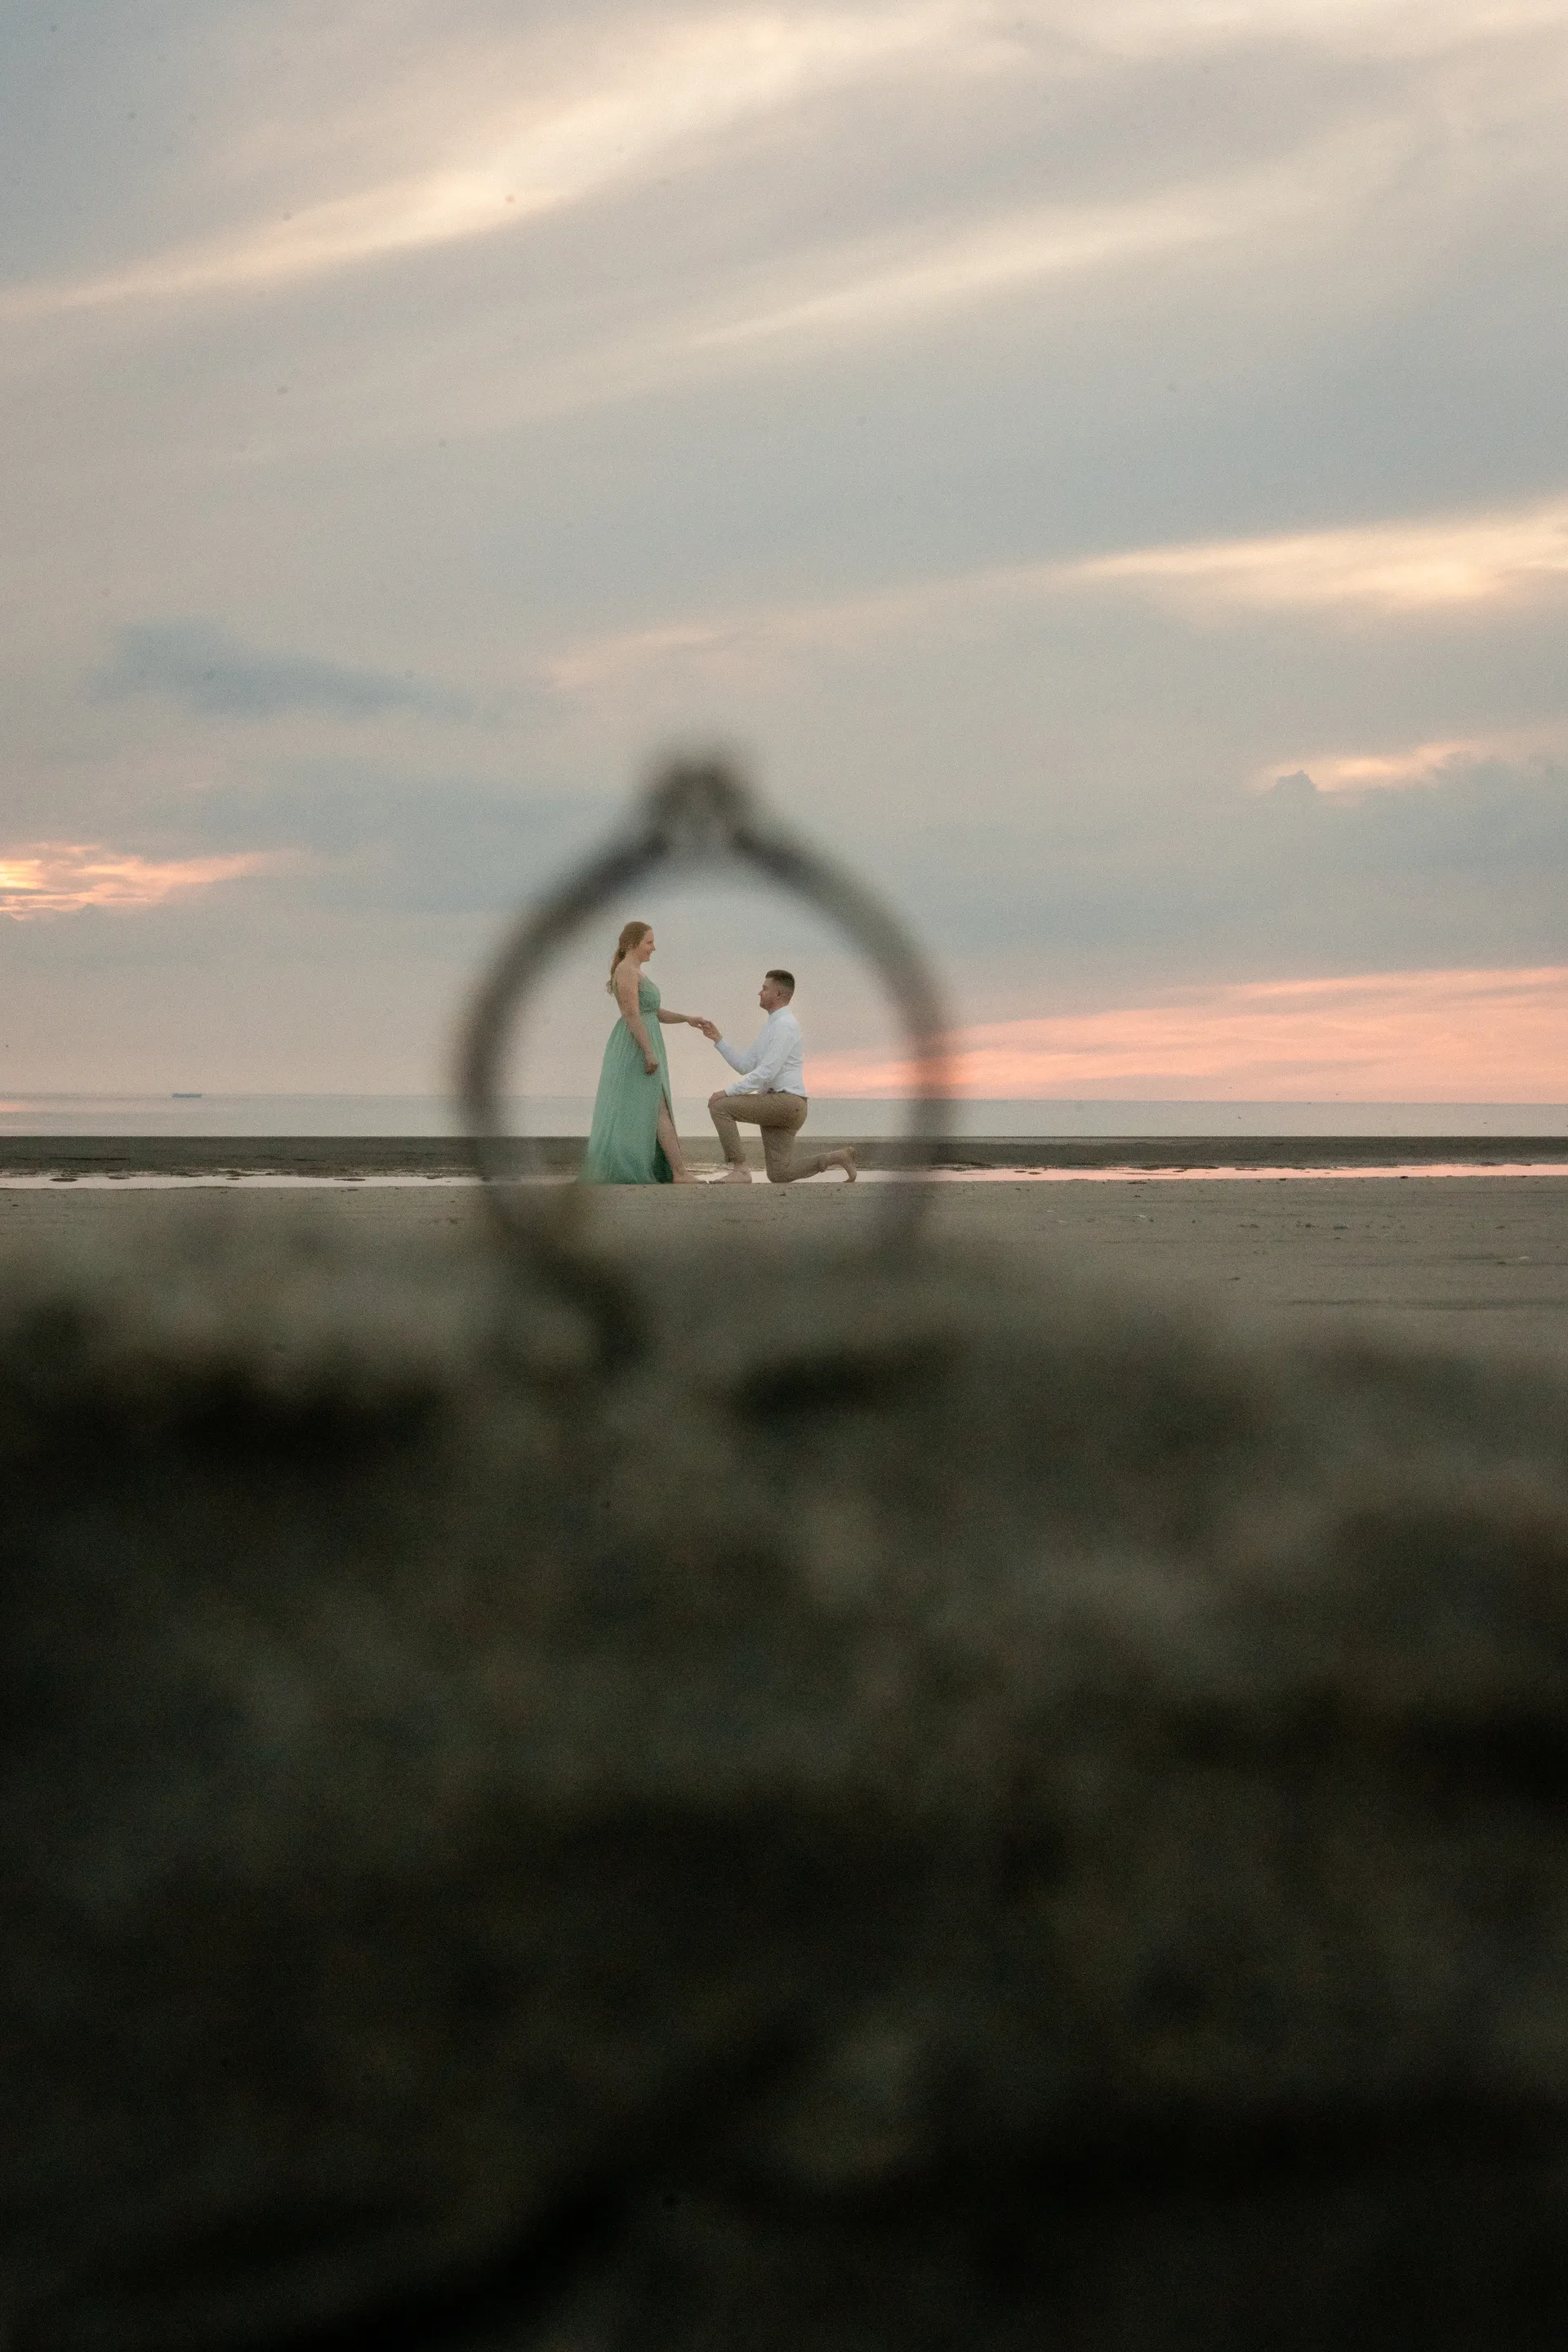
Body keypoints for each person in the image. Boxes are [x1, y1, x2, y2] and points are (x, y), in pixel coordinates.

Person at [697, 969, 856, 1185]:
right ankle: (837, 1157)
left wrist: (726, 1092)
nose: (759, 992)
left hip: (787, 1103)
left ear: (779, 994)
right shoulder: (772, 1026)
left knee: (720, 1106)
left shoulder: (786, 1025)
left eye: (765, 988)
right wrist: (718, 1040)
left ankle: (740, 1170)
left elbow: (766, 1073)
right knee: (779, 1173)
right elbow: (746, 1066)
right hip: (782, 1104)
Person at [581, 921, 708, 1184]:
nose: (654, 947)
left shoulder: (637, 972)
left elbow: (653, 1012)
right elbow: (630, 1013)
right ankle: (679, 1172)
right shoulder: (626, 971)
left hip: (645, 1041)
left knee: (656, 1106)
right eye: (649, 942)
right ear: (633, 944)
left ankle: (677, 1171)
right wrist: (648, 1051)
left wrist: (686, 1018)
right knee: (656, 1106)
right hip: (634, 1046)